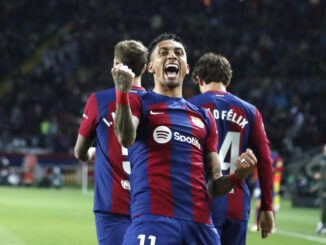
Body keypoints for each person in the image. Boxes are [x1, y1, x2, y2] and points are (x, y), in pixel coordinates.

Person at [111, 33, 257, 245]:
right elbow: (125, 138)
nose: (172, 56)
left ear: (187, 68)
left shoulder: (203, 117)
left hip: (200, 226)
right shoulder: (138, 103)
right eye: (163, 53)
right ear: (150, 67)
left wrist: (237, 177)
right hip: (153, 221)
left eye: (178, 53)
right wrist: (122, 94)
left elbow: (214, 187)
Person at [188, 52, 274, 244]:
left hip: (198, 204)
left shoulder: (190, 107)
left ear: (200, 80)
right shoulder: (250, 111)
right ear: (227, 81)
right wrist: (266, 207)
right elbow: (265, 160)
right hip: (236, 205)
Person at [74, 40, 148, 245]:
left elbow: (79, 151)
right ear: (144, 68)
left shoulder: (99, 100)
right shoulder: (156, 104)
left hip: (112, 207)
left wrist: (91, 153)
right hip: (150, 207)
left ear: (115, 66)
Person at [251, 151, 283, 231]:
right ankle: (257, 224)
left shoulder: (275, 156)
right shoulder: (261, 155)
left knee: (271, 207)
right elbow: (259, 170)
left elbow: (280, 167)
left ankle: (270, 226)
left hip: (272, 185)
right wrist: (257, 187)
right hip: (262, 182)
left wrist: (272, 170)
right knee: (258, 204)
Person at [313, 144, 326, 234]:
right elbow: (309, 167)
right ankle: (322, 225)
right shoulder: (320, 159)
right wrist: (314, 174)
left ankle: (322, 224)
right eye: (324, 150)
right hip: (322, 187)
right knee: (323, 207)